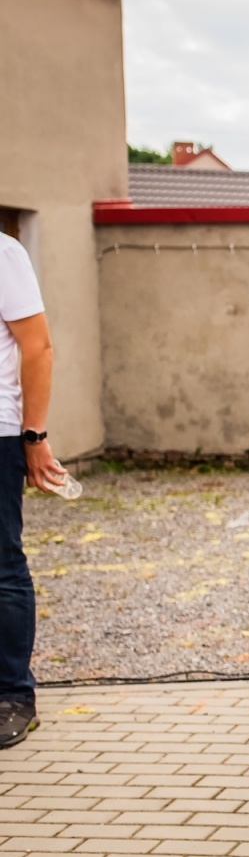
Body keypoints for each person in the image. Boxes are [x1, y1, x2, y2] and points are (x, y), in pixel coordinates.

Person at [0, 232, 69, 749]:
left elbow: (37, 346)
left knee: (2, 565)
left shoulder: (4, 253)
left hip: (0, 431)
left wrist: (34, 435)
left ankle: (13, 696)